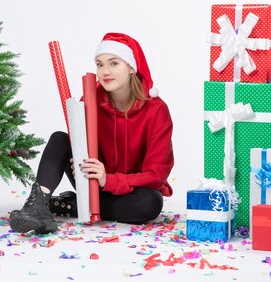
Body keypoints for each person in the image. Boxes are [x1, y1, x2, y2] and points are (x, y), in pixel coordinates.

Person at [9, 32, 174, 234]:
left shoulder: (157, 110)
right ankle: (38, 204)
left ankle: (78, 206)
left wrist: (109, 179)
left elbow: (156, 175)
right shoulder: (91, 98)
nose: (105, 71)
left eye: (114, 63)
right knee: (60, 138)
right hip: (92, 183)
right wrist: (80, 159)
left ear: (131, 67)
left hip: (130, 191)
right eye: (99, 64)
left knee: (151, 203)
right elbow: (77, 140)